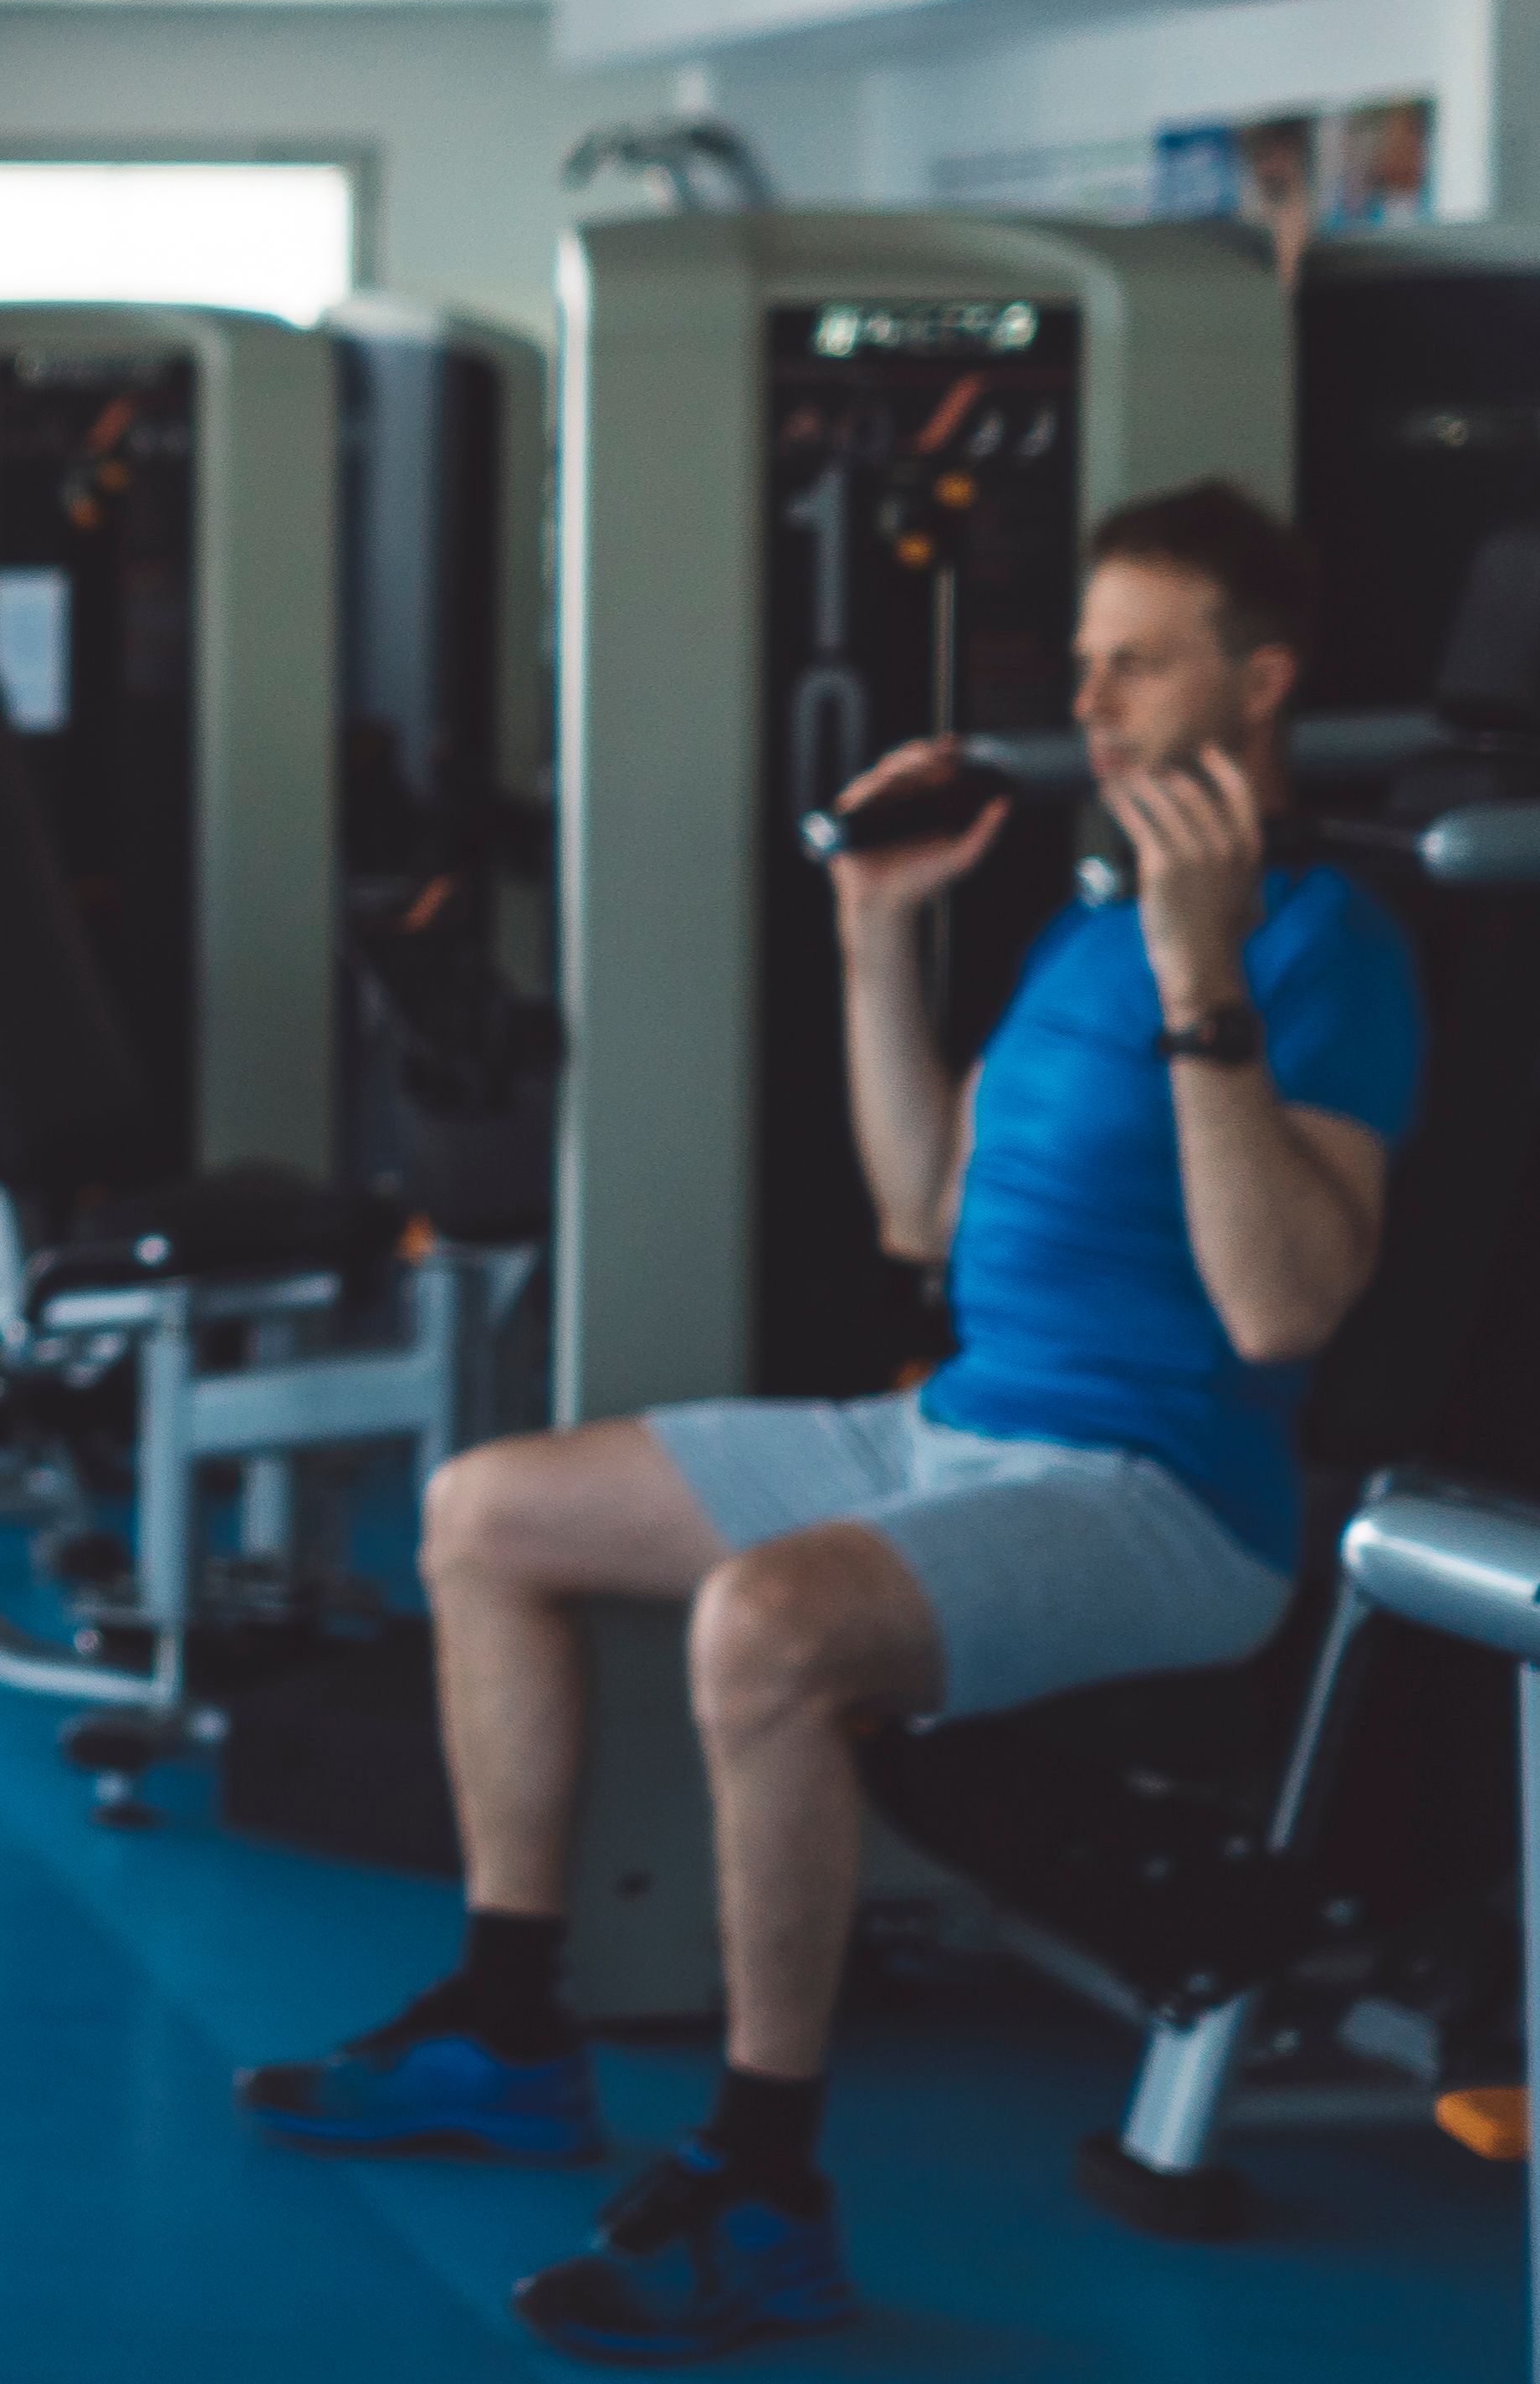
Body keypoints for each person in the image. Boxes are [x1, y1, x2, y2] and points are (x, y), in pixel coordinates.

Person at [238, 480, 1424, 2361]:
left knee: (767, 1625)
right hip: (952, 1425)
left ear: (1260, 682)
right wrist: (875, 934)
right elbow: (920, 1213)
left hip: (1162, 1501)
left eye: (1143, 662)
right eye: (1086, 662)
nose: (1096, 703)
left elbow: (1286, 1299)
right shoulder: (1081, 927)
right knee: (483, 1510)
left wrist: (1210, 973)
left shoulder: (1325, 942)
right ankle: (508, 2020)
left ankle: (767, 2185)